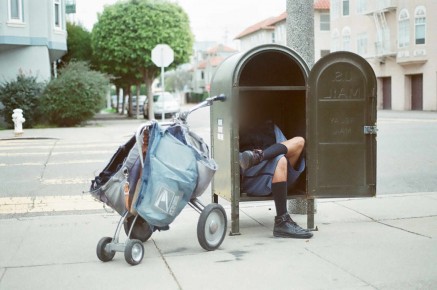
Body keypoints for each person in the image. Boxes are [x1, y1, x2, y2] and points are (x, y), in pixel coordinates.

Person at [239, 120, 313, 239]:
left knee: (300, 141)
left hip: (279, 173)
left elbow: (288, 148)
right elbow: (240, 164)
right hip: (256, 179)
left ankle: (260, 156)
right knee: (281, 159)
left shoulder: (270, 126)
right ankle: (282, 221)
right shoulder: (239, 129)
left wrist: (264, 155)